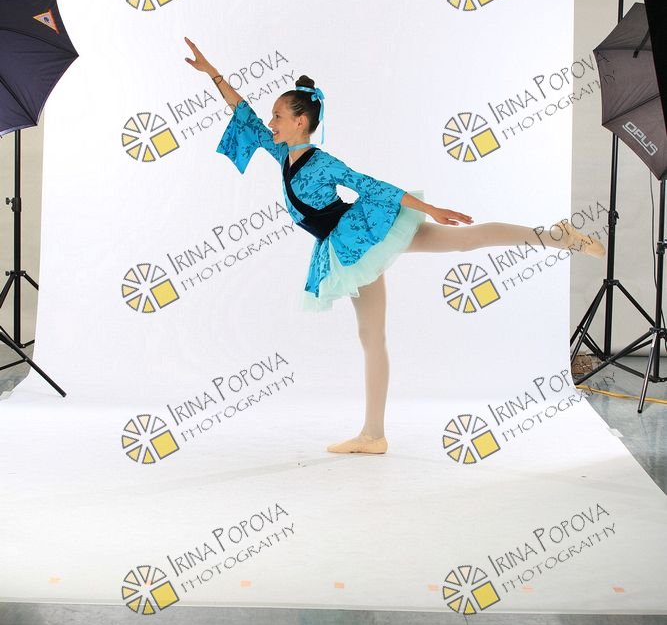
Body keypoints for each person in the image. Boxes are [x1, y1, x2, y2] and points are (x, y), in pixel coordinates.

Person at [184, 37, 604, 456]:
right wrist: (212, 73)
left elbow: (370, 186)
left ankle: (373, 435)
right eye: (273, 116)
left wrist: (430, 208)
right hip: (351, 241)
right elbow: (243, 113)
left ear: (300, 121)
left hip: (358, 240)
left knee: (391, 316)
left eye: (278, 115)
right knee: (386, 320)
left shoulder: (321, 161)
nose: (271, 122)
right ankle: (555, 237)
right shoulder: (283, 155)